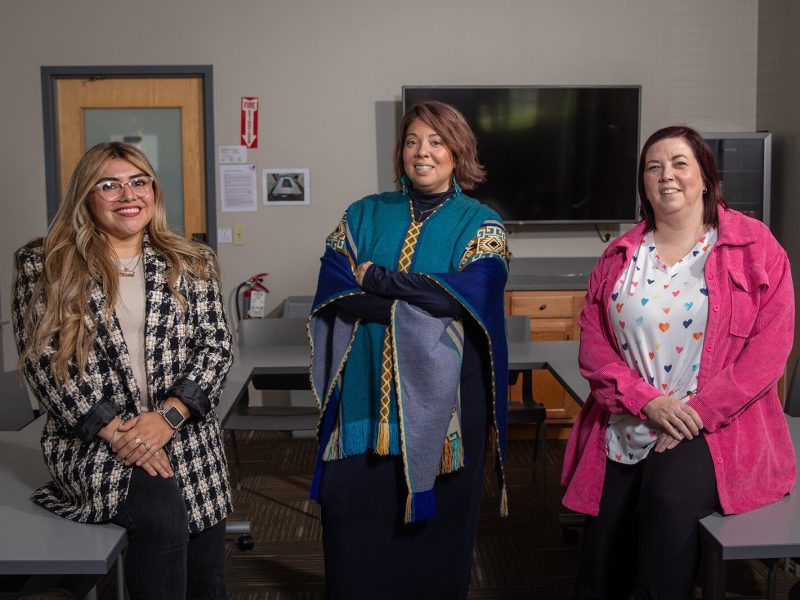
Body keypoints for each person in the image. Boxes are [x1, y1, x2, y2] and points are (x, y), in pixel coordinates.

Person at [562, 125, 796, 599]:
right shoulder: (619, 257)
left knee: (665, 505)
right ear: (643, 183)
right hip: (630, 418)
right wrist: (648, 403)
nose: (666, 175)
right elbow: (594, 346)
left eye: (679, 163)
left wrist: (694, 413)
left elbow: (768, 353)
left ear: (706, 177)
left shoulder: (756, 247)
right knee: (601, 557)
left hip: (714, 426)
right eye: (654, 166)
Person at [308, 100, 511, 599]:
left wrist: (376, 280)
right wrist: (422, 304)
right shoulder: (363, 213)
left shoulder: (481, 223)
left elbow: (467, 295)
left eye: (436, 142)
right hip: (360, 406)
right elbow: (333, 289)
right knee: (353, 523)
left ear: (457, 151)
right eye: (413, 141)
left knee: (436, 538)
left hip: (448, 410)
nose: (423, 152)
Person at [12, 142, 233, 600]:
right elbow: (44, 362)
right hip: (95, 440)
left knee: (206, 572)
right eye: (108, 184)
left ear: (153, 191)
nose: (126, 195)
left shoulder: (192, 261)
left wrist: (168, 418)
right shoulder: (45, 263)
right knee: (161, 513)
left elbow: (215, 348)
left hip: (187, 433)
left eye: (138, 182)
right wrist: (121, 433)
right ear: (86, 196)